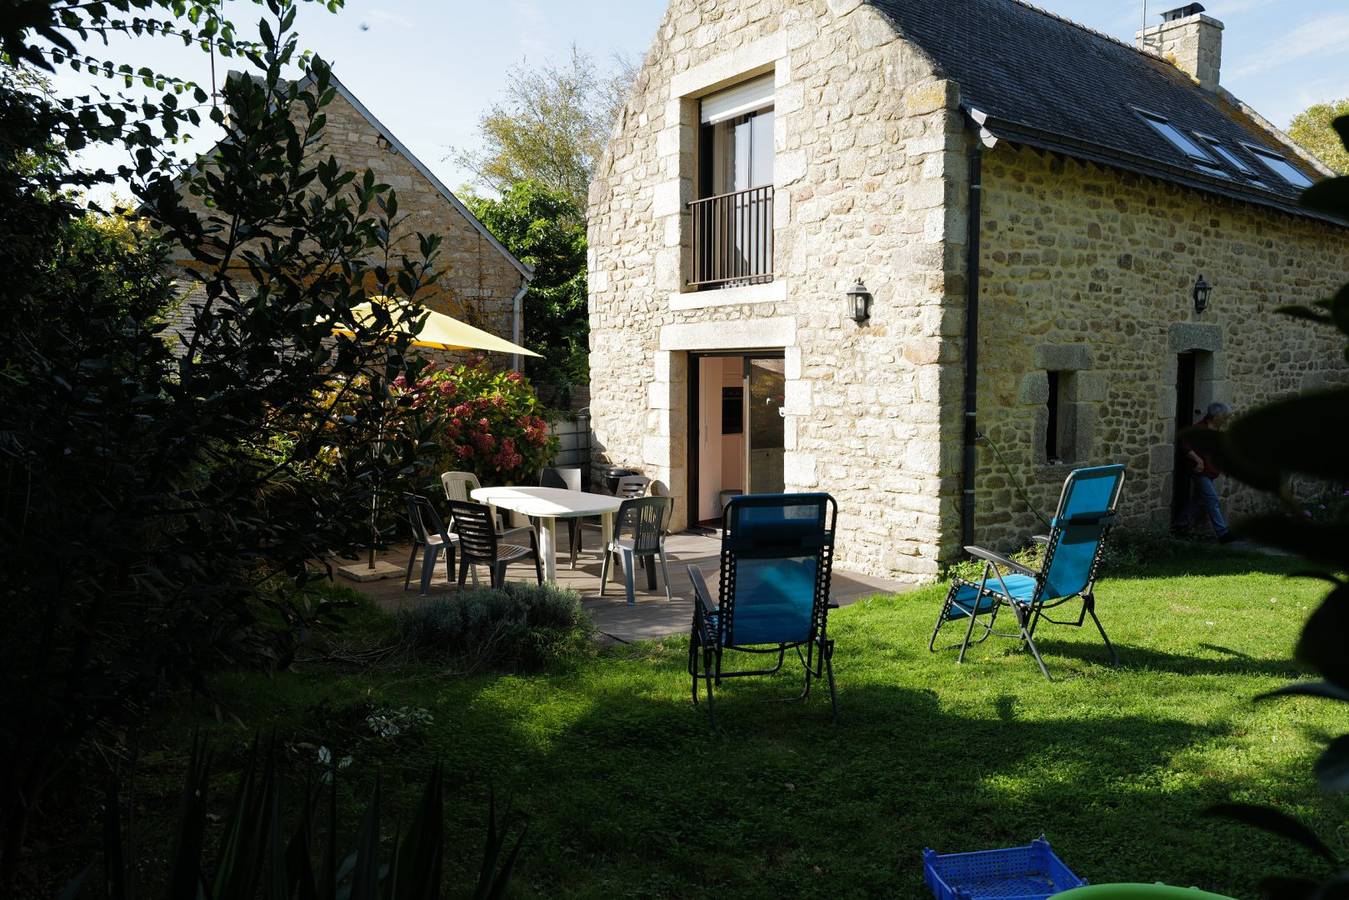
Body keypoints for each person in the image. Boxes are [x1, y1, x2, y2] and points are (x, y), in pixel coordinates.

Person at [1175, 401, 1235, 543]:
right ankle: (1223, 534)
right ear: (1216, 416)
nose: (1226, 419)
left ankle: (1179, 525)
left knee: (1198, 500)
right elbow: (1185, 445)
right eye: (1224, 416)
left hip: (1211, 471)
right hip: (1200, 472)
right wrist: (1198, 460)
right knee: (1212, 499)